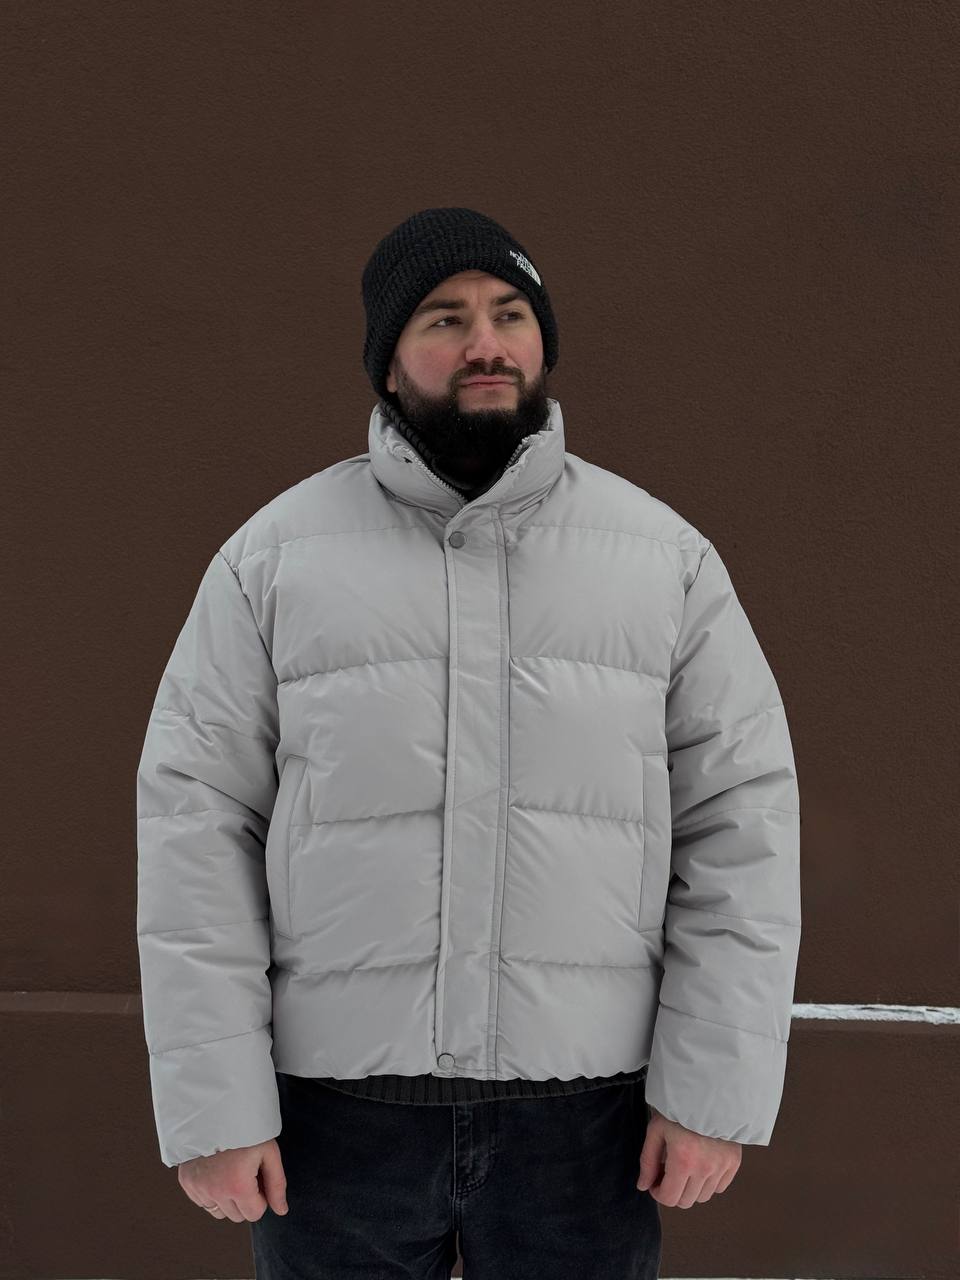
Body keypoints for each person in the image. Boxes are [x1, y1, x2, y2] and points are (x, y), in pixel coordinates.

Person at [136, 207, 801, 1278]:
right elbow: (195, 835)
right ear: (389, 364)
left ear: (542, 344)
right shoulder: (273, 563)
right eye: (444, 319)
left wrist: (711, 1092)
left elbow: (742, 832)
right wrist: (215, 1106)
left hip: (588, 1124)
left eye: (511, 314)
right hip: (334, 1122)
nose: (486, 343)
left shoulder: (663, 562)